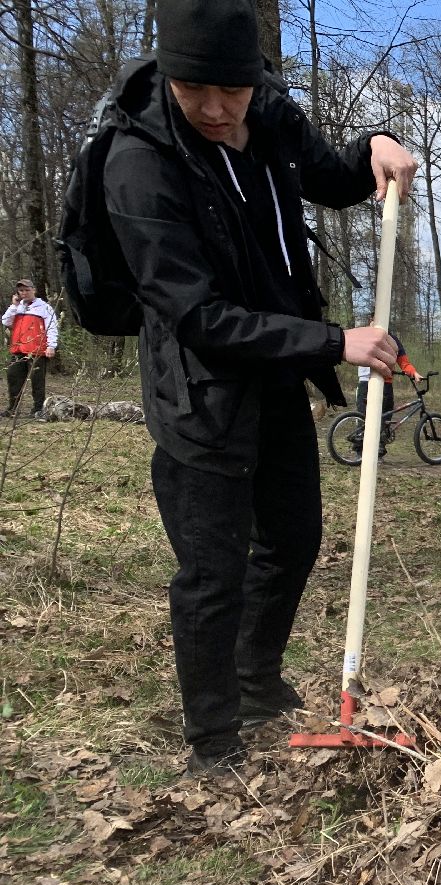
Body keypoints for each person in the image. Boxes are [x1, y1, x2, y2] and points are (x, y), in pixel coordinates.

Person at [104, 0, 417, 775]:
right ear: (169, 75)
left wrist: (371, 147)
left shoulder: (271, 115)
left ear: (254, 78)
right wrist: (336, 343)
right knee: (214, 568)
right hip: (200, 387)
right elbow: (199, 316)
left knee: (293, 537)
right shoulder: (137, 161)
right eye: (194, 91)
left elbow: (330, 178)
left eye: (231, 92)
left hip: (277, 371)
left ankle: (253, 678)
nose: (215, 109)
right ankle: (213, 739)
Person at [351, 319, 417, 458]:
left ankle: (379, 449)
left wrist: (414, 373)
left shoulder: (393, 340)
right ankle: (360, 451)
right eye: (372, 321)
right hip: (365, 382)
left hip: (386, 383)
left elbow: (404, 363)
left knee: (384, 416)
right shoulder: (363, 336)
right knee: (363, 417)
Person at [3, 278, 58, 418]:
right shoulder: (18, 307)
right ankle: (12, 408)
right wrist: (14, 306)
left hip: (37, 349)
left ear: (33, 290)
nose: (24, 293)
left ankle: (38, 409)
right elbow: (5, 321)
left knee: (37, 381)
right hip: (18, 349)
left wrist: (51, 346)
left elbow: (52, 327)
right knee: (13, 377)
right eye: (21, 290)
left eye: (27, 290)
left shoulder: (44, 307)